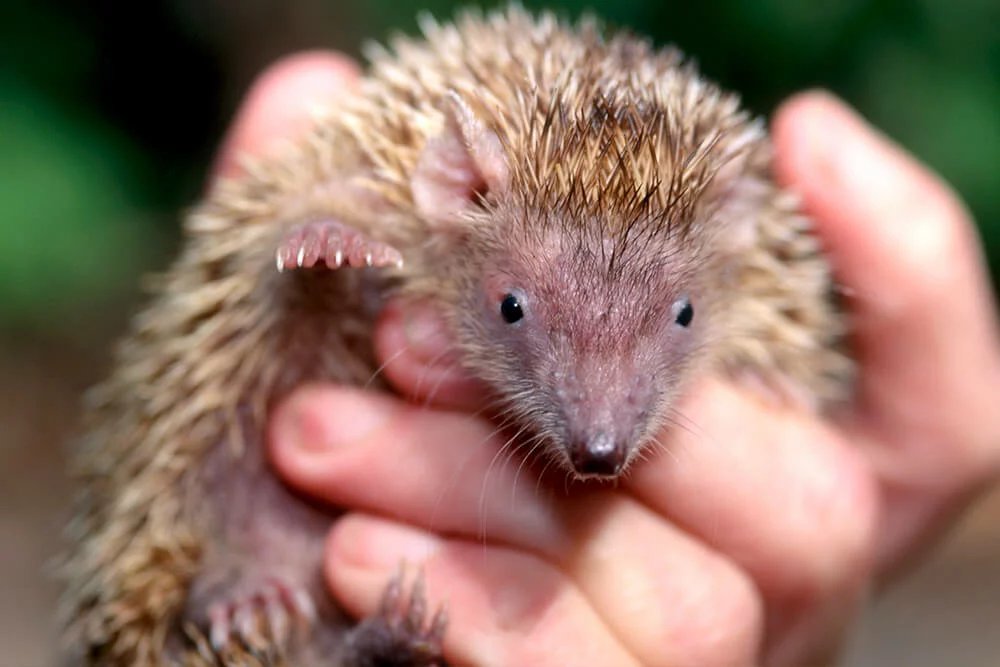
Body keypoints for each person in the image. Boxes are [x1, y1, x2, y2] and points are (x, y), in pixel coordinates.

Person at [212, 52, 1000, 666]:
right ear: (457, 188)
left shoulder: (755, 309)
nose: (600, 434)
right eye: (514, 309)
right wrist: (319, 236)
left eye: (680, 316)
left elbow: (792, 351)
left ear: (732, 226)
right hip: (252, 536)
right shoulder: (379, 198)